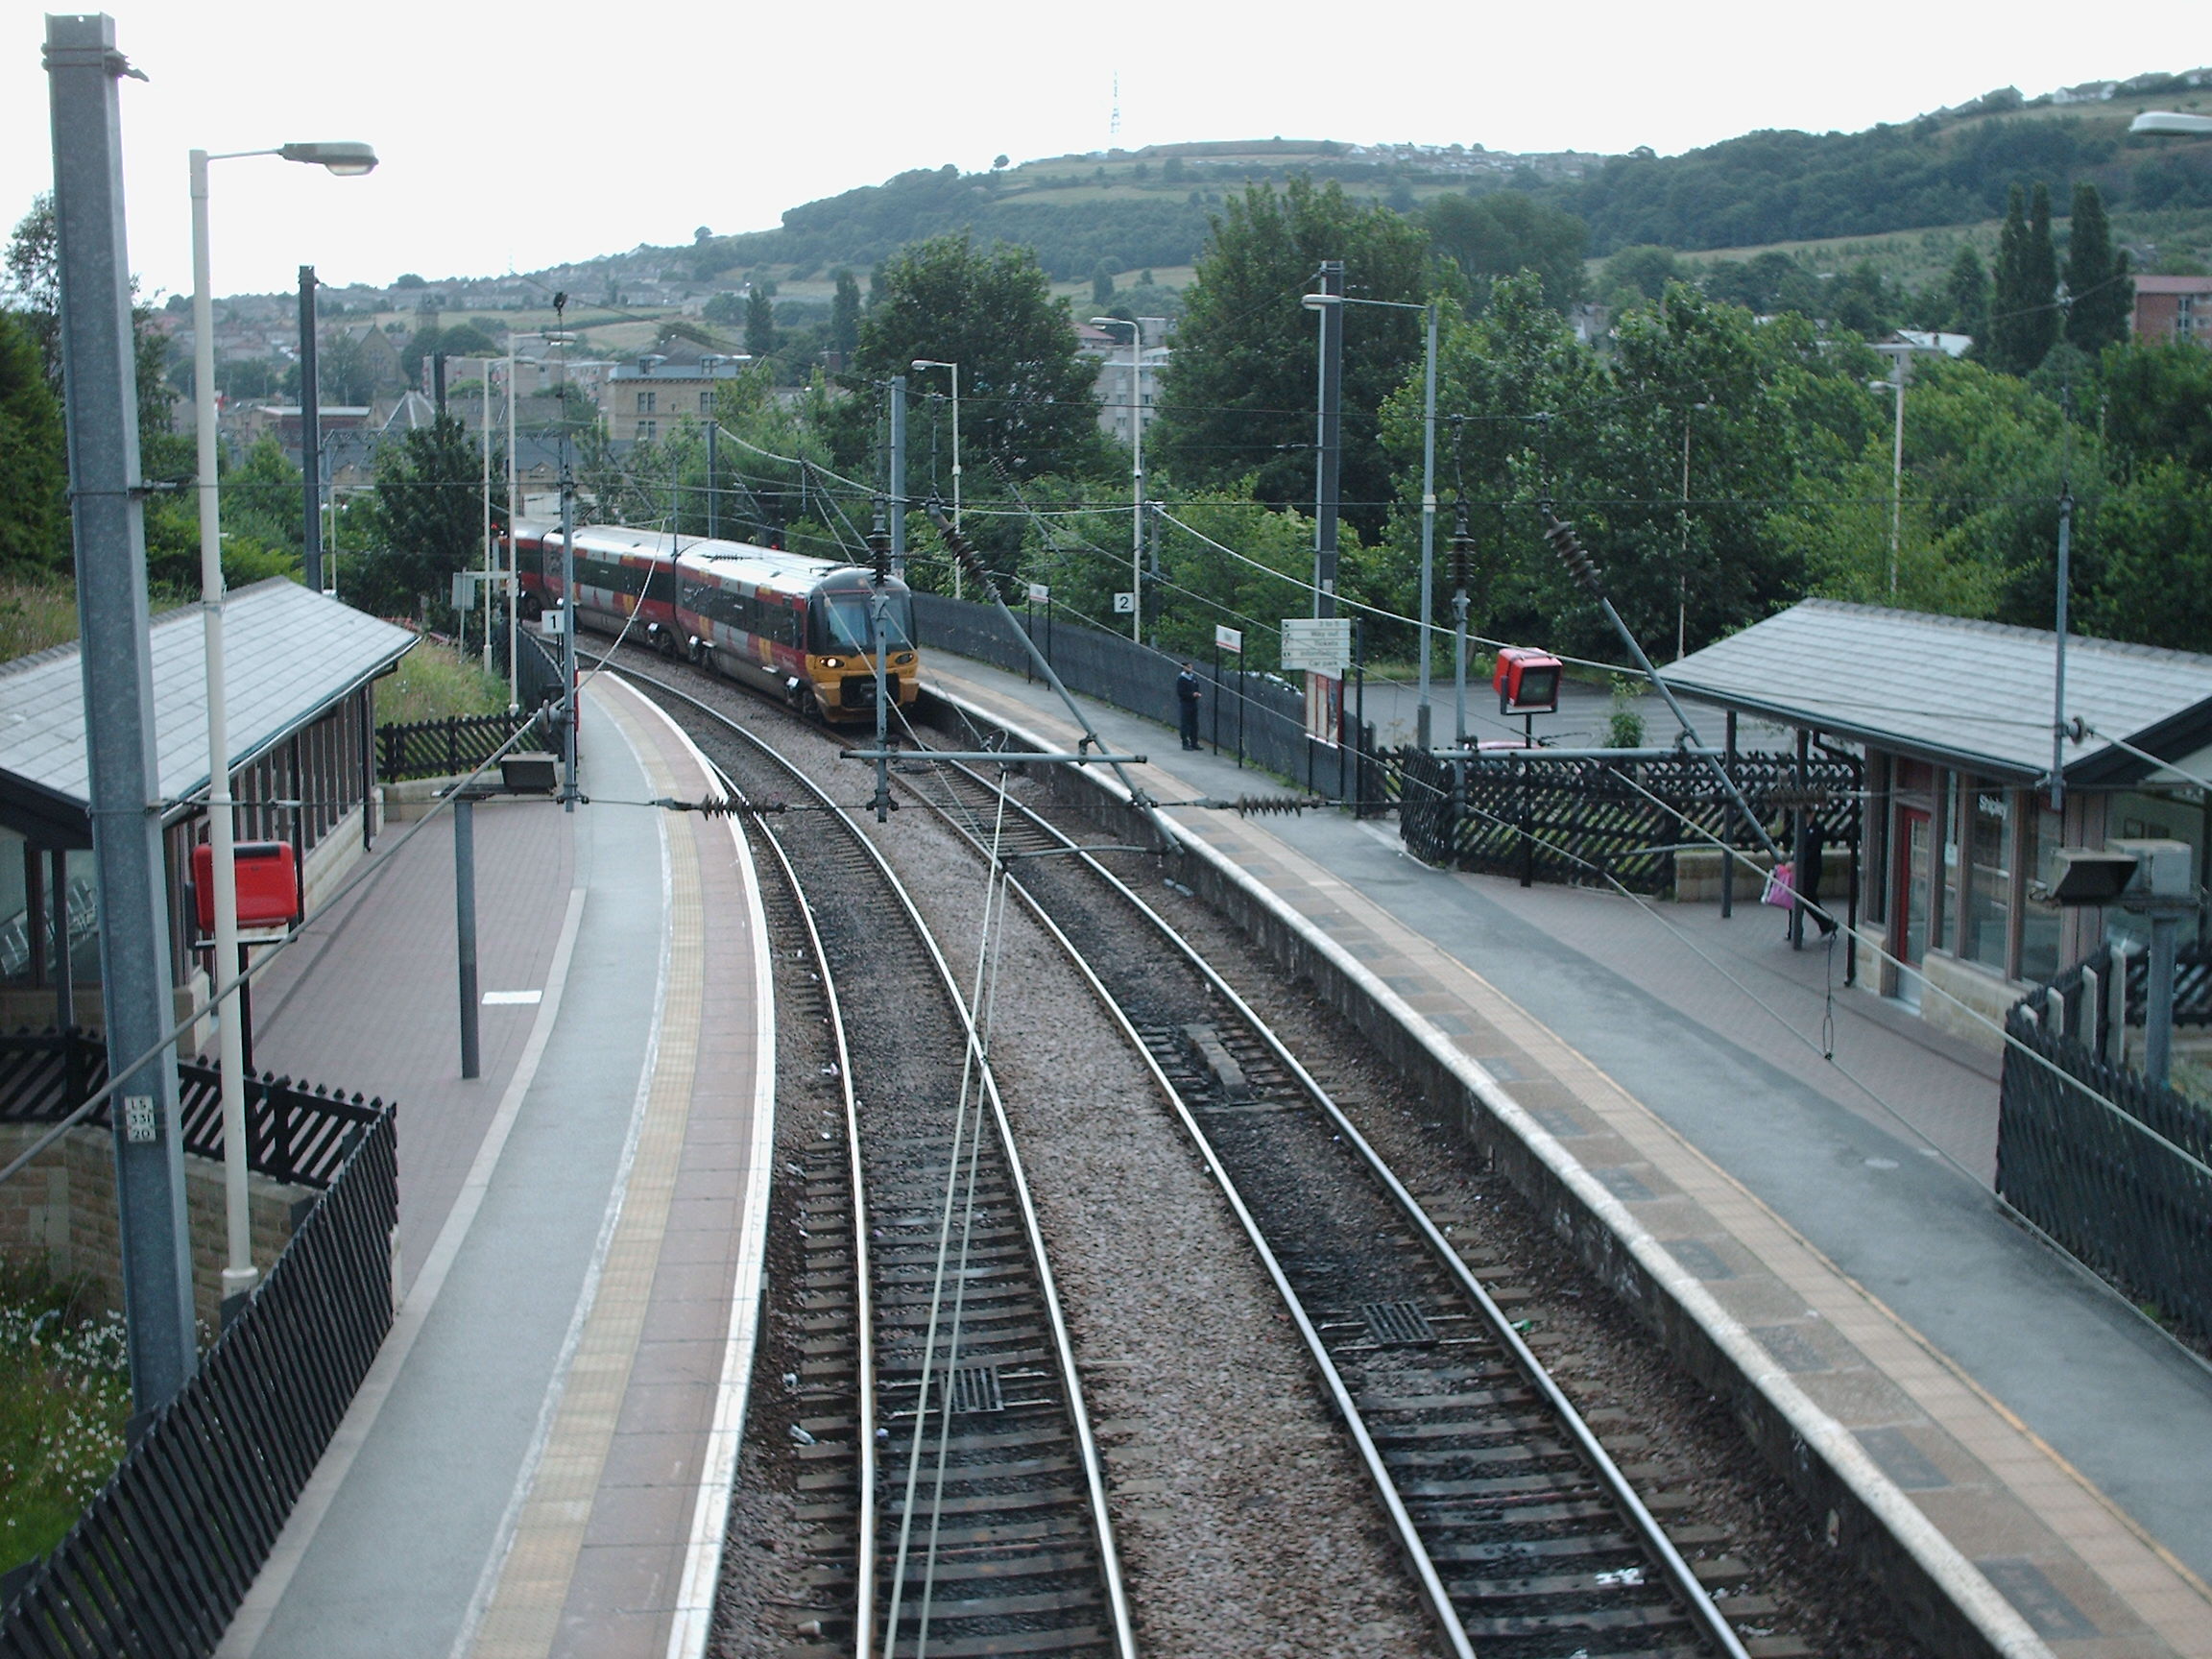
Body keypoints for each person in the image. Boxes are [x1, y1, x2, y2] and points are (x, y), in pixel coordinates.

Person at [1175, 662, 1201, 751]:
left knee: (1194, 724)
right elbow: (1180, 693)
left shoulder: (1193, 678)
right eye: (1188, 667)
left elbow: (1197, 687)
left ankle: (1194, 742)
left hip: (1193, 703)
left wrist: (1197, 693)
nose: (1190, 669)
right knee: (1185, 724)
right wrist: (1191, 695)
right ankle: (1185, 743)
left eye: (1191, 667)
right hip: (1185, 704)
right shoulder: (1181, 679)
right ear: (1184, 668)